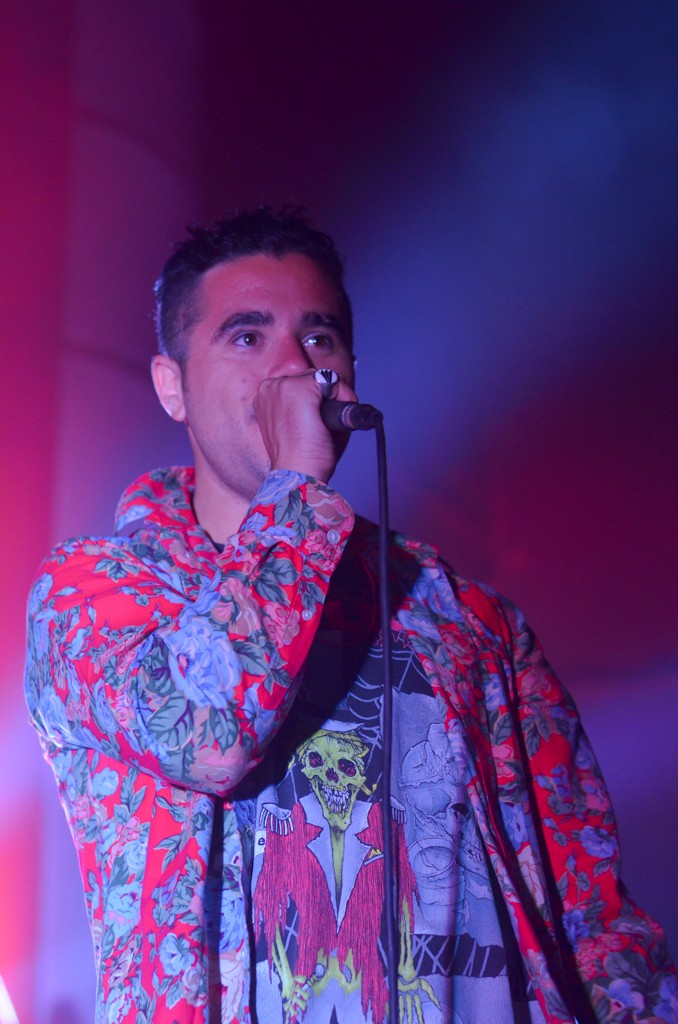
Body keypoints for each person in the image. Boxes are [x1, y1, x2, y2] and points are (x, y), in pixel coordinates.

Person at [25, 208, 677, 1024]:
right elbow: (207, 735)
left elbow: (594, 917)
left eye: (320, 337)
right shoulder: (96, 596)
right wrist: (295, 484)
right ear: (172, 386)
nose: (296, 367)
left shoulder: (467, 622)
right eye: (247, 336)